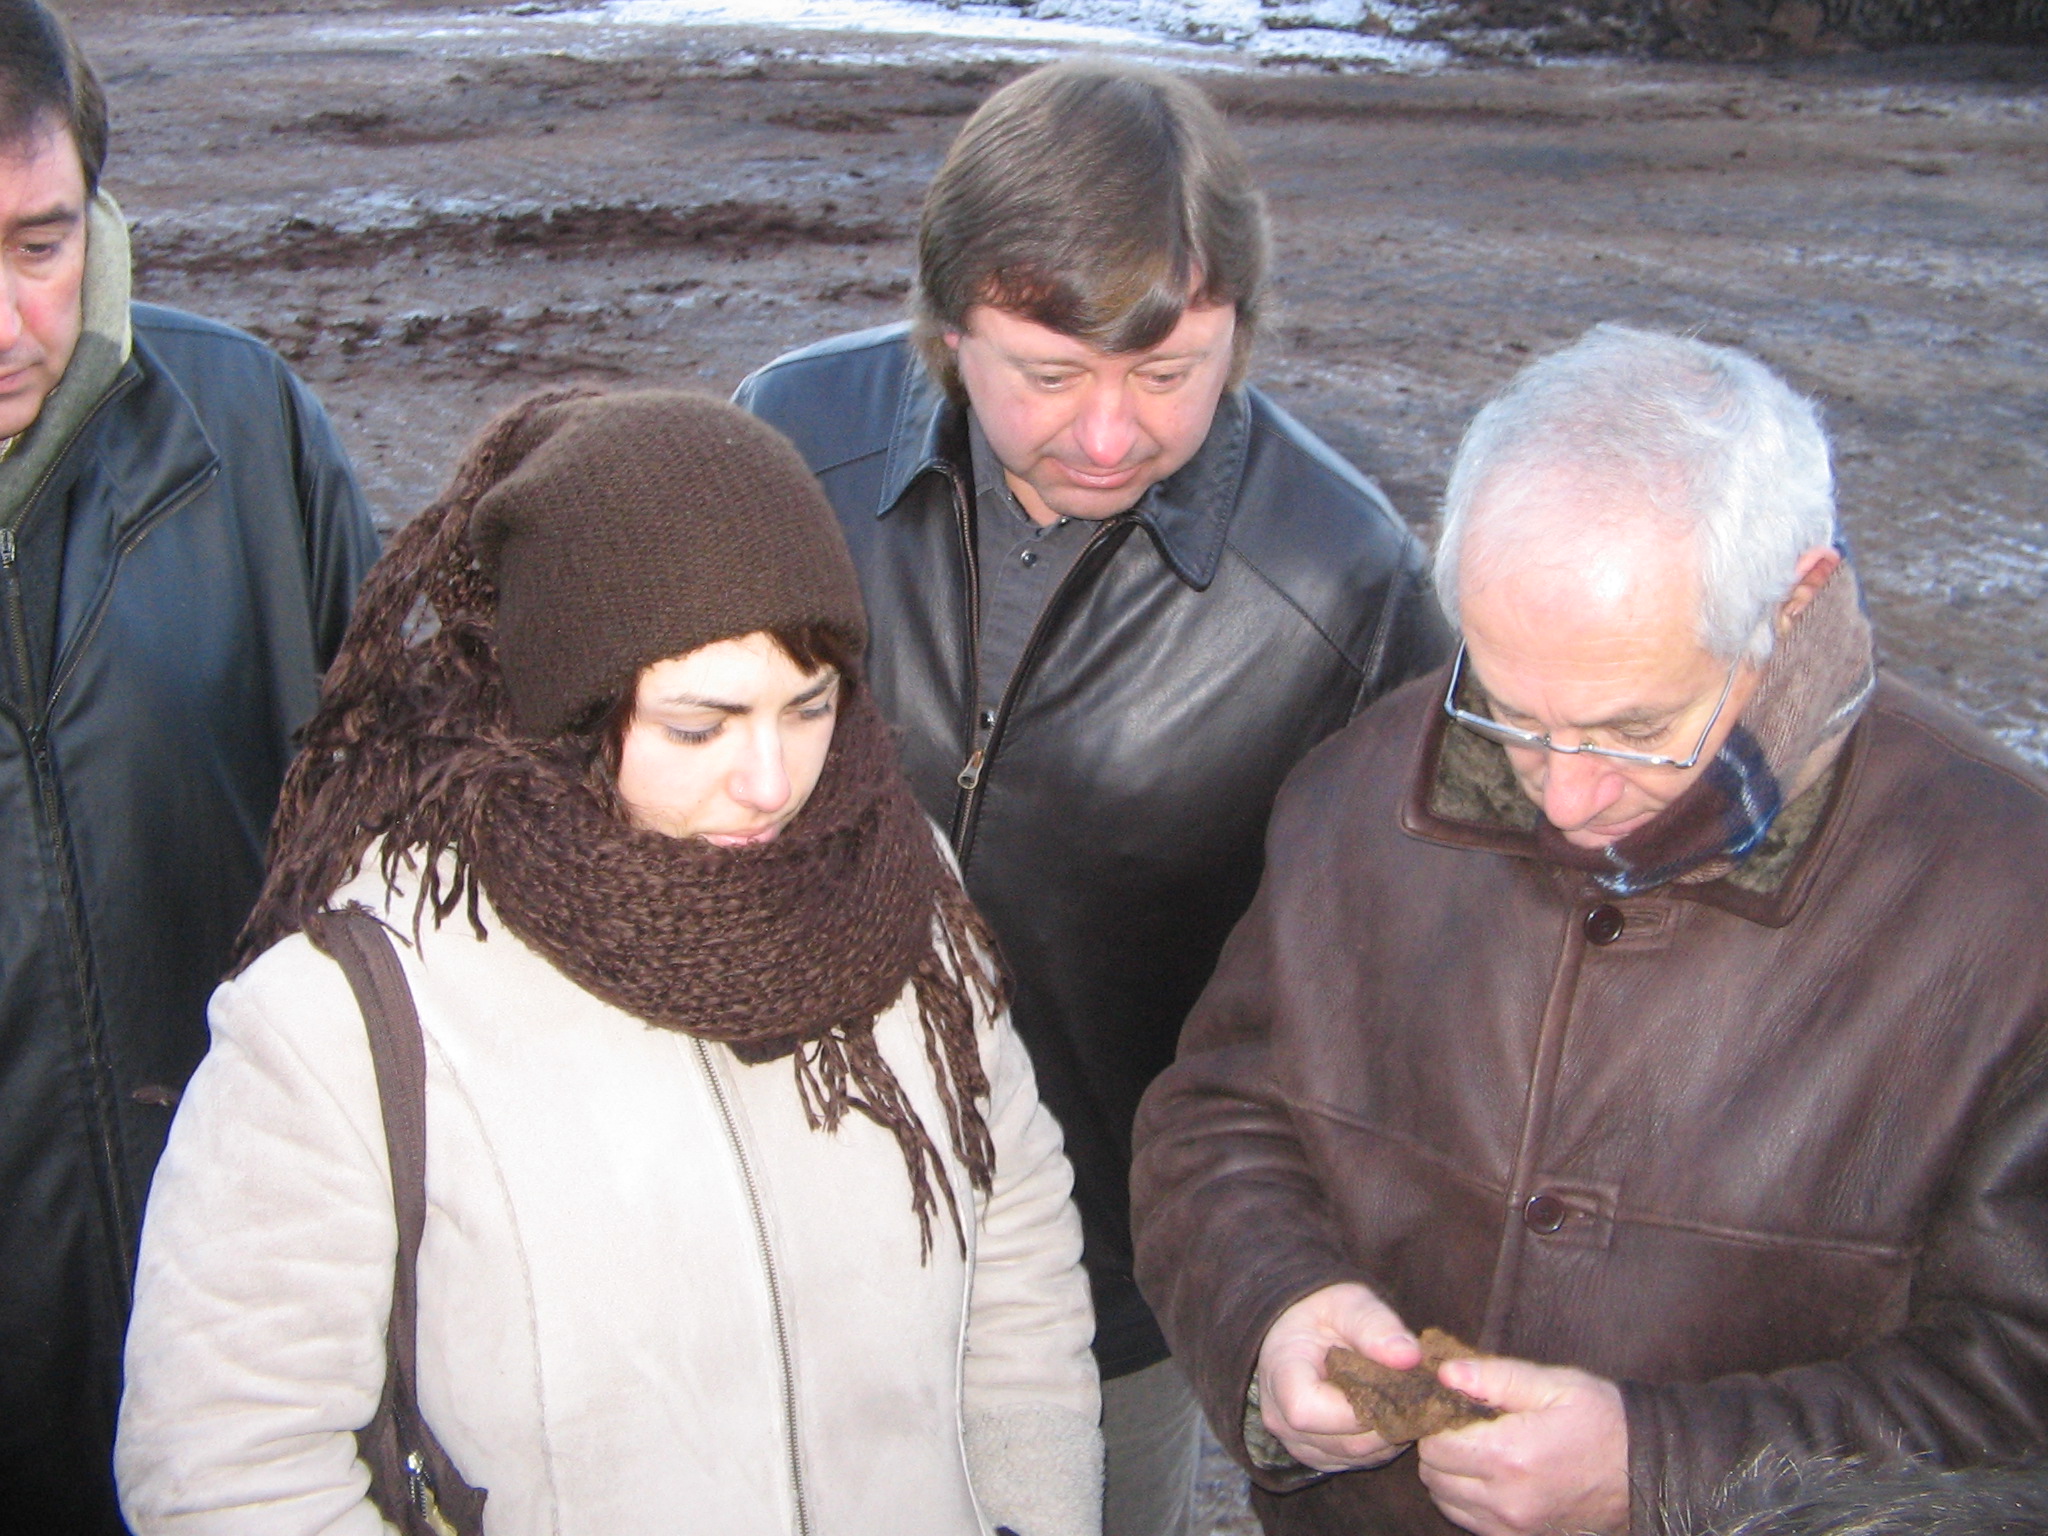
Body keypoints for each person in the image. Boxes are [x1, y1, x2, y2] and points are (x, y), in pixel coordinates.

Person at [114, 390, 1102, 1536]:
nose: (773, 782)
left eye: (810, 704)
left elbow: (1015, 1243)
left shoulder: (896, 885)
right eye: (699, 725)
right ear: (568, 706)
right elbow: (228, 1460)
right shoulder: (351, 1008)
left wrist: (1033, 1517)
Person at [1129, 325, 2048, 1536]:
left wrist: (1660, 1468)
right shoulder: (1356, 792)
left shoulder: (2009, 901)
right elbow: (1216, 1119)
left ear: (1795, 601)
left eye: (1629, 728)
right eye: (1509, 712)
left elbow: (2016, 1384)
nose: (1559, 797)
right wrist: (1274, 1311)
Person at [735, 59, 1449, 1534]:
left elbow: (1407, 985)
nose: (1111, 435)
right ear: (945, 334)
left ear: (1238, 332)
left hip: (1105, 1295)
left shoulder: (1342, 579)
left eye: (1169, 372)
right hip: (774, 1232)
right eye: (1048, 375)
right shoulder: (788, 438)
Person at [0, 1, 379, 1527]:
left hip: (257, 1292)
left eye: (38, 245)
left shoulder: (243, 424)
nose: (10, 324)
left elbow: (400, 823)